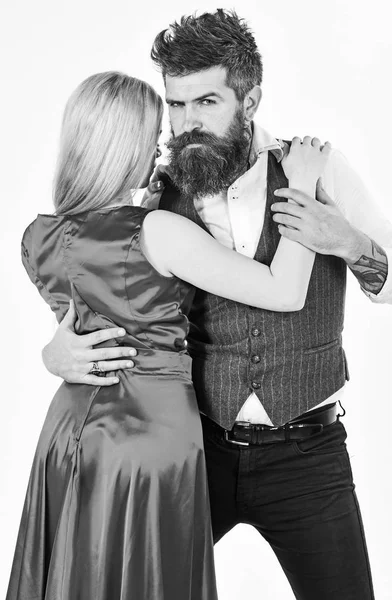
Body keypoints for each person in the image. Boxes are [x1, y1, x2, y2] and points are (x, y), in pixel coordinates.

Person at [38, 11, 392, 600]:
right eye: (175, 106)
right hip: (195, 447)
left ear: (249, 99)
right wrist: (56, 351)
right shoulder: (152, 194)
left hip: (309, 455)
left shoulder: (319, 170)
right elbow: (93, 285)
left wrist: (350, 244)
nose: (184, 124)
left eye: (205, 102)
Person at [6, 70, 330, 600]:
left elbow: (87, 319)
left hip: (67, 432)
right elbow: (285, 290)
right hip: (147, 438)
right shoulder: (155, 231)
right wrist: (301, 185)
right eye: (155, 138)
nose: (163, 151)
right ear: (125, 146)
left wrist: (51, 356)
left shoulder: (36, 236)